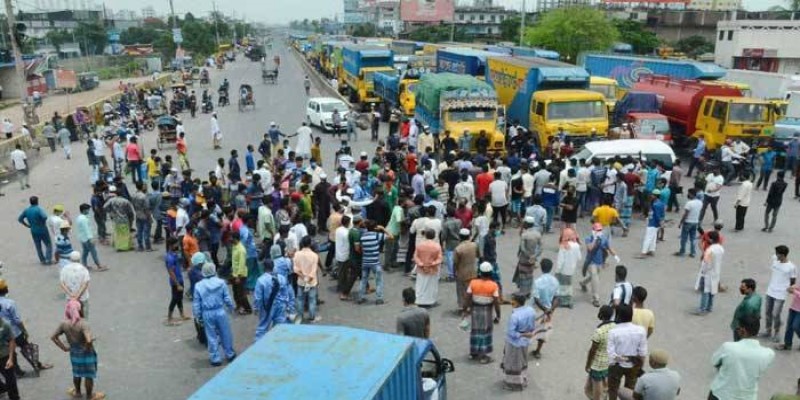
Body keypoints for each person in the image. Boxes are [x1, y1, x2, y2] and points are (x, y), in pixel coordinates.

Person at [709, 315, 775, 400]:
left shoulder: (728, 347)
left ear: (743, 330)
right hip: (747, 396)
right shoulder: (768, 354)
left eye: (738, 328)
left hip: (721, 394)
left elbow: (714, 361)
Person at [51, 300, 103, 400]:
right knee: (88, 375)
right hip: (86, 352)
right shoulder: (83, 323)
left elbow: (53, 337)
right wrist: (87, 347)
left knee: (77, 373)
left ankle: (78, 393)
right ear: (80, 309)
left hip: (74, 351)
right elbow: (88, 340)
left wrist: (64, 348)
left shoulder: (64, 323)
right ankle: (89, 396)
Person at [192, 263, 236, 366]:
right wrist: (231, 307)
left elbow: (196, 303)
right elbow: (227, 298)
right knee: (225, 333)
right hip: (220, 311)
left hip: (207, 313)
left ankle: (215, 358)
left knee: (211, 335)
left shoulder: (199, 285)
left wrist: (198, 316)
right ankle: (229, 353)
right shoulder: (221, 282)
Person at [607, 304, 648, 400]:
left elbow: (611, 354)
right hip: (634, 365)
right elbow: (642, 353)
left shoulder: (613, 332)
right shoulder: (641, 330)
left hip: (616, 365)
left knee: (613, 388)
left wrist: (621, 358)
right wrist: (640, 368)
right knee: (630, 390)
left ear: (617, 316)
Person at [253, 253, 296, 341]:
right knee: (280, 326)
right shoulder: (281, 278)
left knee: (263, 327)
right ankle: (279, 342)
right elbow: (285, 293)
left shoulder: (260, 280)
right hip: (280, 305)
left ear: (263, 267)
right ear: (273, 266)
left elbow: (258, 298)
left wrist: (256, 308)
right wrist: (287, 305)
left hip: (267, 307)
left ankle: (259, 345)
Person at [466, 262, 501, 364]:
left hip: (475, 309)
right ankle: (484, 356)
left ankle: (473, 352)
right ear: (490, 273)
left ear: (480, 273)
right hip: (487, 310)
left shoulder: (473, 283)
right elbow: (496, 301)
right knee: (486, 332)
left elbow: (467, 297)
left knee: (475, 331)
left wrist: (466, 309)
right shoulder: (493, 285)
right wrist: (498, 315)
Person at [762, 245, 797, 342]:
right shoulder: (775, 260)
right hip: (770, 291)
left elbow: (793, 281)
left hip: (781, 293)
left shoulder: (791, 267)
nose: (775, 255)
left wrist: (789, 289)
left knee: (775, 314)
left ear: (782, 255)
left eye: (777, 254)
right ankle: (768, 330)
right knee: (768, 312)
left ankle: (777, 332)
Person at [501, 293, 536, 391]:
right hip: (525, 342)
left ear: (516, 302)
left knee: (513, 363)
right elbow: (533, 326)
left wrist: (523, 334)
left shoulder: (515, 316)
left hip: (514, 343)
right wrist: (527, 334)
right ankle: (523, 379)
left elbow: (512, 333)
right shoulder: (531, 310)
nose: (511, 302)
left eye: (512, 300)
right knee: (523, 360)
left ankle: (513, 384)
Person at [617, 349, 681, 400]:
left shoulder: (645, 378)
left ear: (653, 363)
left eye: (650, 359)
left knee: (622, 391)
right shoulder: (676, 375)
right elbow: (677, 392)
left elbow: (636, 397)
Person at [581, 223, 619, 307]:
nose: (599, 232)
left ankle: (583, 283)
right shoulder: (589, 238)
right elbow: (590, 248)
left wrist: (615, 256)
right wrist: (595, 239)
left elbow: (609, 248)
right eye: (597, 230)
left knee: (594, 277)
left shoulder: (604, 239)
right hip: (590, 262)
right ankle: (596, 298)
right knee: (595, 277)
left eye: (600, 230)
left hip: (599, 262)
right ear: (593, 231)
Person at [584, 305, 615, 400]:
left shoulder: (599, 331)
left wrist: (588, 364)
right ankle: (604, 396)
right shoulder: (615, 326)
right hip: (609, 360)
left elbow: (593, 350)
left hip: (597, 364)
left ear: (601, 315)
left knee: (597, 384)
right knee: (605, 381)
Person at [358, 220, 392, 305]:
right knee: (379, 280)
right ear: (375, 228)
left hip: (365, 261)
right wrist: (383, 229)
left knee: (363, 280)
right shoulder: (377, 235)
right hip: (375, 262)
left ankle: (360, 297)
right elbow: (391, 237)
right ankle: (379, 298)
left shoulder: (362, 236)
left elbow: (360, 248)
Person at [530, 258, 558, 359]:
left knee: (530, 329)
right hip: (548, 311)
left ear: (541, 267)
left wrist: (543, 309)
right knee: (543, 331)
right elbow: (556, 297)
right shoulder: (555, 281)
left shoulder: (538, 282)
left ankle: (524, 350)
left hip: (537, 310)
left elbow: (536, 298)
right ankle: (537, 351)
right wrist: (551, 309)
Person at [696, 231, 724, 315]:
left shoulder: (709, 250)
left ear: (711, 240)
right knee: (713, 290)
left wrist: (703, 272)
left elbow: (706, 263)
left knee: (705, 291)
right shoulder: (721, 248)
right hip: (716, 271)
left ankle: (702, 309)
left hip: (708, 273)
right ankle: (709, 307)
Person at [293, 236, 320, 323]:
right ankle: (312, 317)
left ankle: (300, 317)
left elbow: (296, 269)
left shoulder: (297, 254)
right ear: (310, 244)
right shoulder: (314, 256)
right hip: (311, 282)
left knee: (300, 299)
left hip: (301, 281)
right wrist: (308, 279)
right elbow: (313, 271)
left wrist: (304, 278)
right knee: (312, 299)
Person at [18, 196, 52, 265]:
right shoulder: (38, 209)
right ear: (37, 201)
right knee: (48, 244)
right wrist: (42, 222)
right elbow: (45, 217)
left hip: (33, 229)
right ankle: (48, 259)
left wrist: (27, 225)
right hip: (42, 229)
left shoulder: (27, 210)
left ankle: (42, 260)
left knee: (38, 246)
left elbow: (20, 219)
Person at [514, 216, 542, 298]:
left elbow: (522, 248)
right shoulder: (537, 234)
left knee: (523, 275)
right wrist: (534, 256)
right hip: (533, 258)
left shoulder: (525, 234)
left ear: (526, 224)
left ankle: (523, 292)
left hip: (524, 258)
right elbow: (541, 247)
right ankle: (528, 291)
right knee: (530, 274)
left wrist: (528, 255)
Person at [414, 229, 443, 307]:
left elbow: (416, 256)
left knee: (420, 284)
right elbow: (439, 258)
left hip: (421, 268)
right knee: (432, 285)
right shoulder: (437, 246)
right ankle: (431, 300)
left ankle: (419, 300)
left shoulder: (420, 245)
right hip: (432, 268)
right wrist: (433, 263)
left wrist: (420, 264)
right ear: (434, 236)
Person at [164, 238, 190, 325]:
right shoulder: (169, 258)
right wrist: (177, 284)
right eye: (176, 244)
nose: (178, 246)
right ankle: (169, 317)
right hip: (175, 281)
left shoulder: (174, 255)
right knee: (175, 299)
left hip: (180, 279)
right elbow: (171, 272)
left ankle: (182, 314)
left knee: (179, 298)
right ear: (171, 246)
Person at [454, 228, 479, 315]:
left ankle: (462, 308)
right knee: (472, 290)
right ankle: (471, 307)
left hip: (462, 273)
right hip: (473, 272)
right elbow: (479, 255)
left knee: (461, 291)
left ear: (460, 237)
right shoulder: (474, 245)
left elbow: (455, 263)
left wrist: (455, 272)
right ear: (469, 236)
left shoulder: (458, 249)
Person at [60, 251, 91, 318]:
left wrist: (71, 294)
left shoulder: (65, 269)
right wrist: (77, 295)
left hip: (70, 298)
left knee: (72, 316)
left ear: (70, 259)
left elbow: (62, 284)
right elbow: (85, 284)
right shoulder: (83, 269)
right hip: (83, 297)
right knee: (84, 316)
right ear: (79, 259)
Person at [103, 186, 135, 252]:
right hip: (125, 219)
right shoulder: (126, 201)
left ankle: (119, 246)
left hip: (116, 219)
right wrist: (131, 219)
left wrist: (111, 212)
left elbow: (104, 207)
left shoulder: (112, 200)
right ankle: (126, 246)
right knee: (126, 233)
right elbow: (130, 212)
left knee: (118, 233)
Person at [675, 189, 702, 257]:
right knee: (692, 238)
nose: (688, 195)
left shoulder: (689, 203)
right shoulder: (700, 202)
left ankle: (682, 251)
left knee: (684, 238)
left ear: (691, 194)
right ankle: (693, 252)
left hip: (688, 222)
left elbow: (685, 214)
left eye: (689, 193)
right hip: (695, 221)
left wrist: (681, 222)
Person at [230, 232, 252, 315]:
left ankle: (248, 309)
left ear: (235, 239)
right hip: (234, 273)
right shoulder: (234, 246)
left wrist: (238, 277)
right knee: (235, 292)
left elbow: (242, 264)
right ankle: (239, 306)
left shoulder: (241, 250)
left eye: (231, 238)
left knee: (241, 293)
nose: (230, 239)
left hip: (240, 275)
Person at [639, 189, 664, 258]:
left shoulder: (655, 205)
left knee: (648, 238)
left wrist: (660, 222)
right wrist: (661, 223)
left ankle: (643, 253)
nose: (651, 196)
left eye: (652, 195)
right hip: (655, 223)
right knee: (653, 237)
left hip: (653, 223)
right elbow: (661, 215)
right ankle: (651, 250)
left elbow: (657, 215)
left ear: (655, 196)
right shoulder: (661, 203)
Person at [777, 282, 800, 351]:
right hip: (793, 307)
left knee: (795, 326)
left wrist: (794, 291)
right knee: (789, 327)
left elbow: (796, 292)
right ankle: (787, 344)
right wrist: (792, 287)